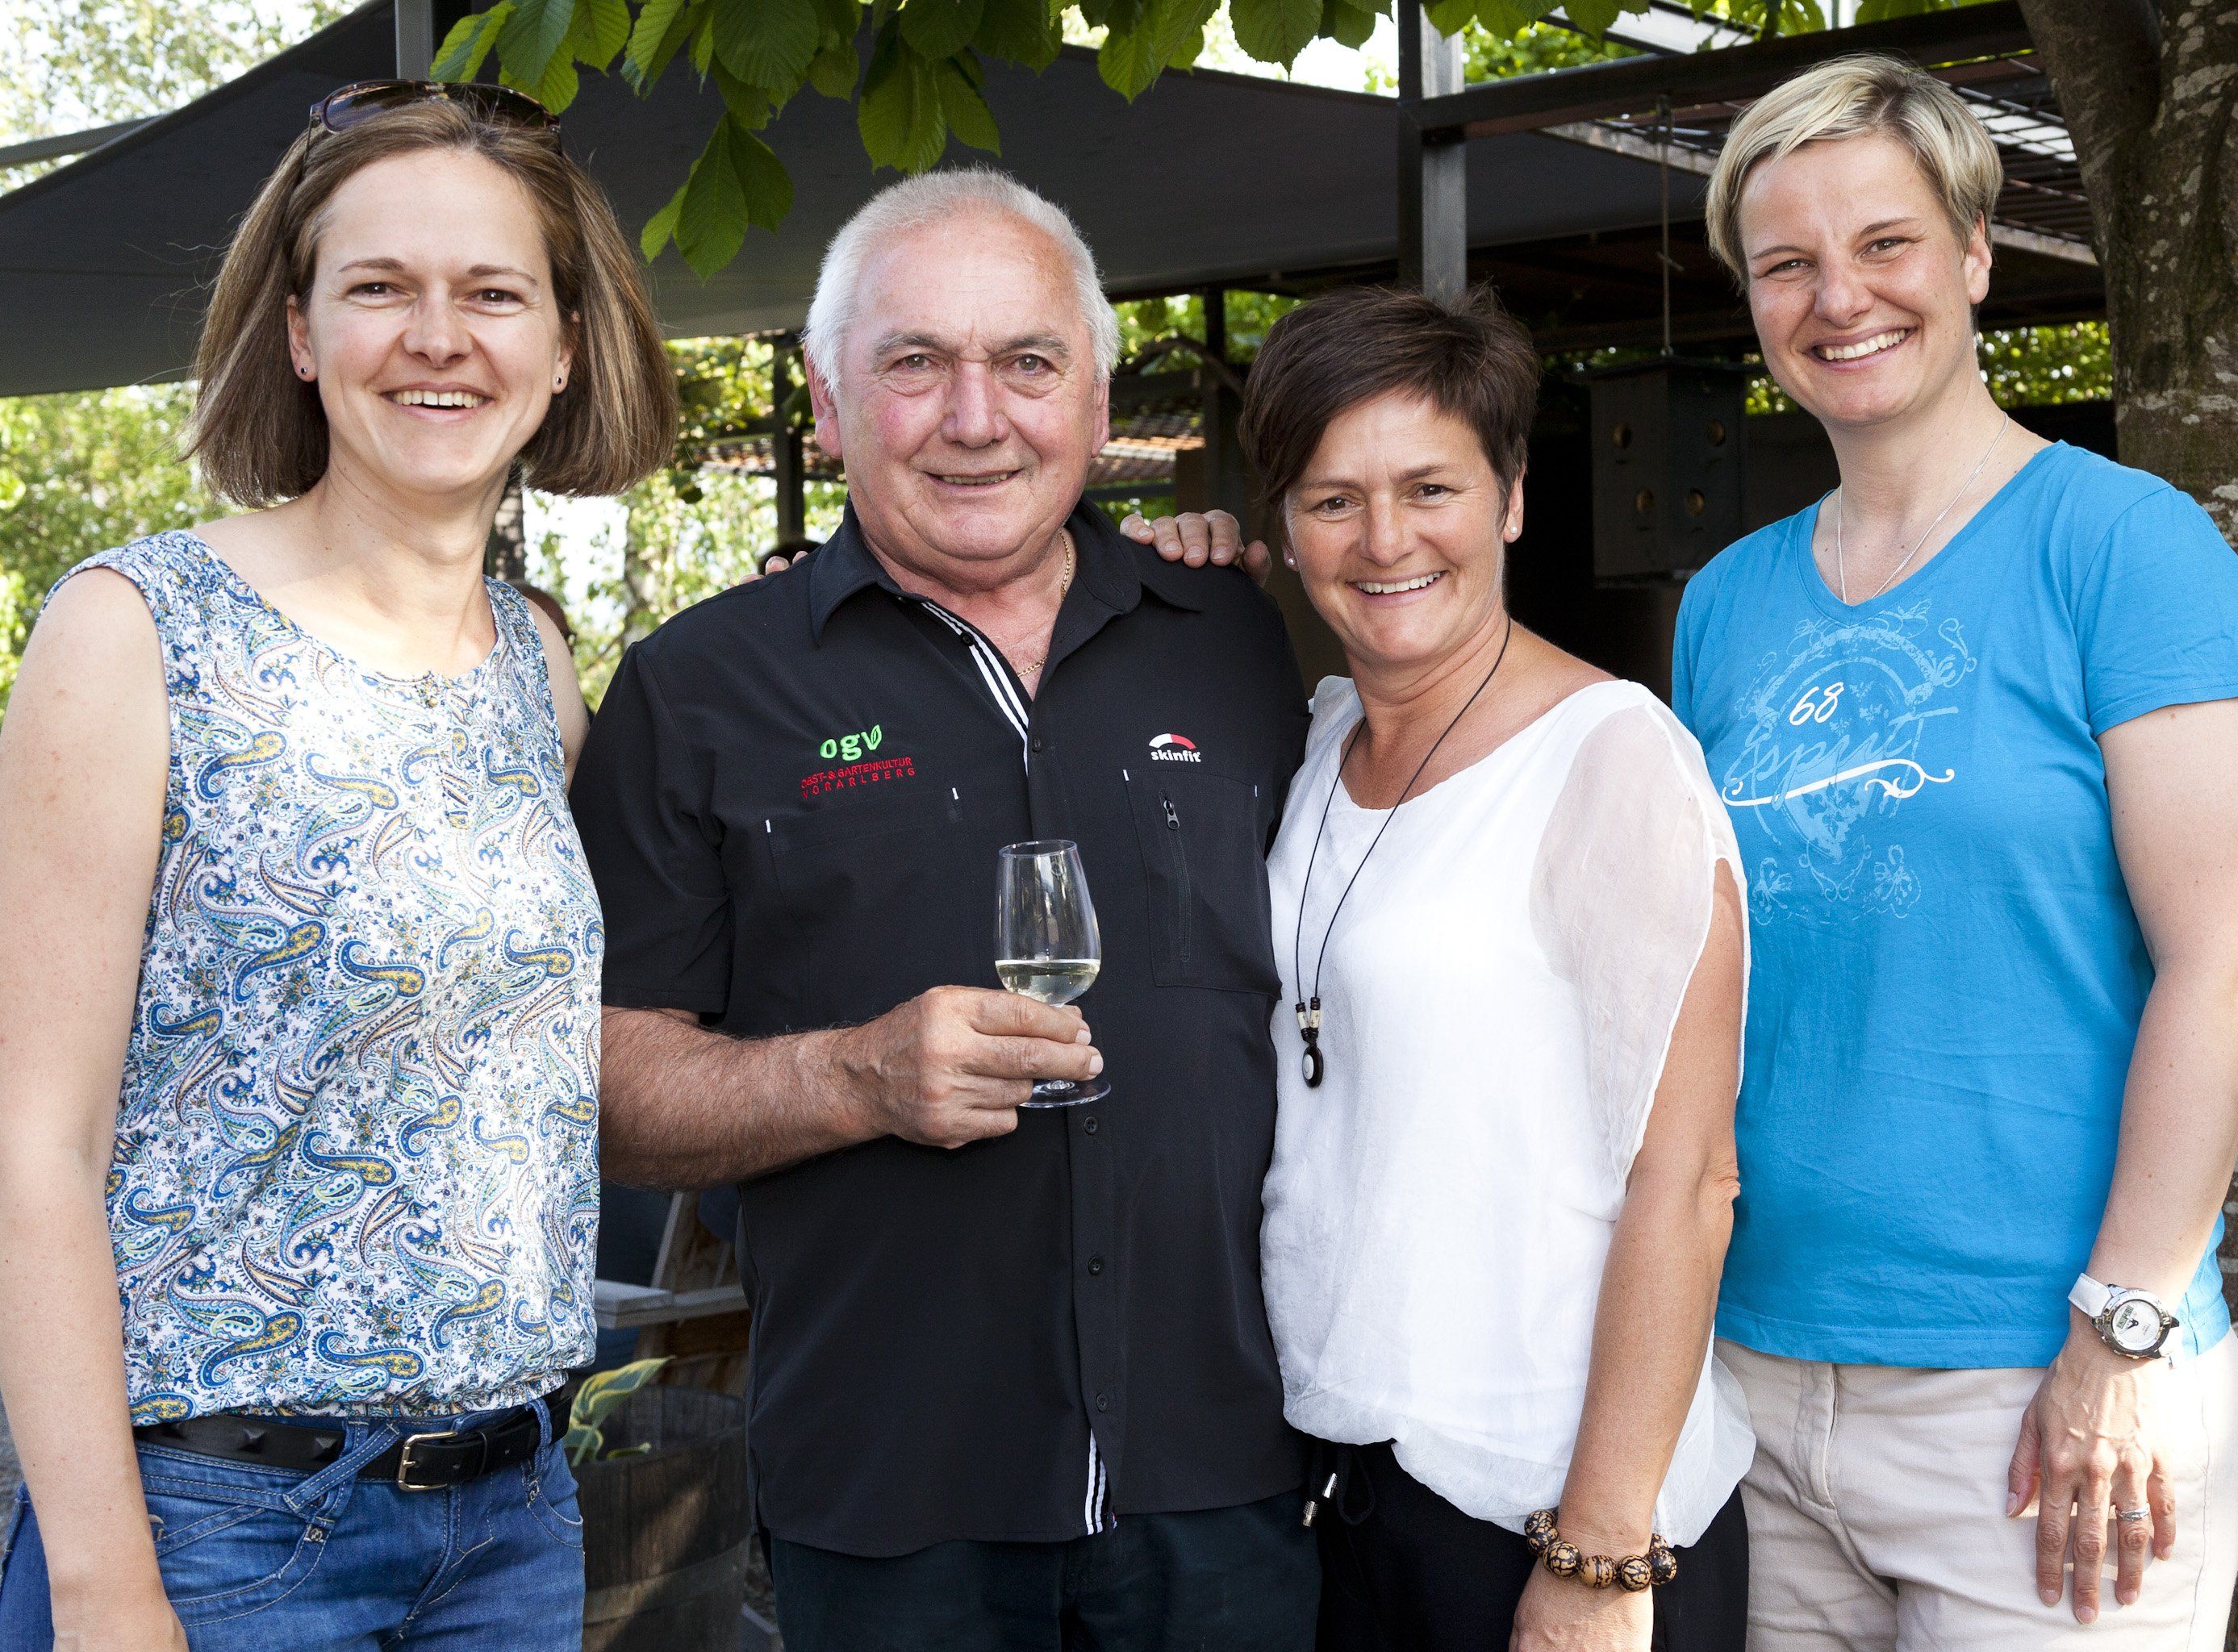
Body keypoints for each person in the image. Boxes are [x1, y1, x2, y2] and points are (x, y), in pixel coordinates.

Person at [567, 168, 1320, 1652]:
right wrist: (852, 1078)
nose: (977, 418)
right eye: (915, 362)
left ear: (1096, 401)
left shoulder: (1235, 633)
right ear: (828, 400)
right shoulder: (696, 689)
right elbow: (598, 1092)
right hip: (889, 1496)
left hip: (1233, 1473)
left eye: (1028, 363)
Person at [0, 81, 674, 1651]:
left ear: (565, 345)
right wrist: (104, 1586)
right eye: (380, 287)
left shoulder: (536, 667)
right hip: (221, 1529)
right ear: (300, 331)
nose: (438, 337)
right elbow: (34, 1146)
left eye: (492, 292)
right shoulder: (135, 631)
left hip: (512, 1521)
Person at [1672, 56, 2238, 1649]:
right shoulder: (1725, 603)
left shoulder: (2128, 551)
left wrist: (2123, 1335)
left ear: (1972, 253)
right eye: (1788, 263)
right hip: (1756, 1371)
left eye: (1885, 242)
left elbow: (2229, 960)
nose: (1839, 298)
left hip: (2045, 1388)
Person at [1124, 288, 1752, 1652]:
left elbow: (1689, 1180)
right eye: (1332, 500)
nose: (1385, 539)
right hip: (1342, 1485)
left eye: (1430, 488)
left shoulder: (1610, 757)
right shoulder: (1317, 740)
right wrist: (1157, 570)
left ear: (1511, 499)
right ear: (1284, 527)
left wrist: (1600, 1554)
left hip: (1544, 1504)